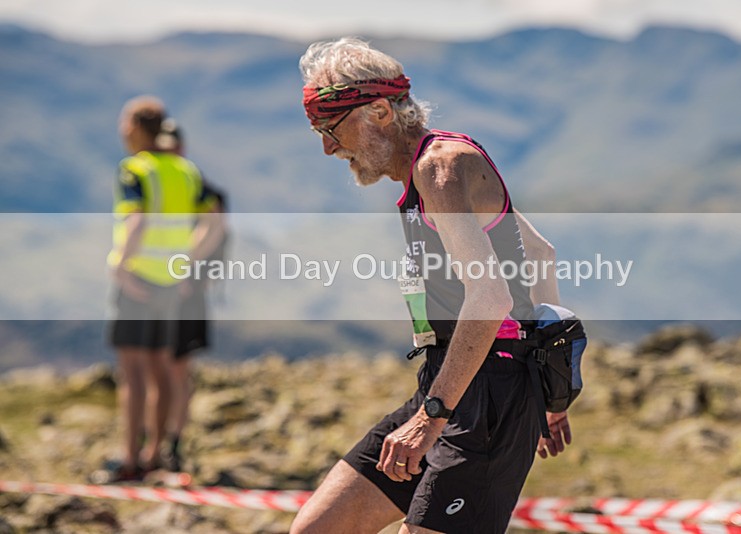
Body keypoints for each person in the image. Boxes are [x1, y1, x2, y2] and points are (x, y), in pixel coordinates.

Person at [292, 38, 570, 534]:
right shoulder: (432, 168)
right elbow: (541, 252)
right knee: (317, 528)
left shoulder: (439, 168)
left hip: (491, 393)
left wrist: (431, 420)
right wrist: (551, 391)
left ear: (379, 111)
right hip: (454, 382)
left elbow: (491, 297)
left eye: (330, 129)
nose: (328, 148)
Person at [107, 96, 219, 481]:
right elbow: (215, 222)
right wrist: (190, 260)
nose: (122, 130)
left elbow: (135, 222)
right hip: (173, 283)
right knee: (161, 371)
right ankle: (156, 452)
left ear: (138, 126)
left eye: (125, 122)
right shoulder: (186, 170)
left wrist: (120, 266)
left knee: (133, 374)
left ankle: (129, 459)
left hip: (139, 280)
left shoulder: (135, 169)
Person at [156, 118, 229, 473]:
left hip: (185, 293)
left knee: (176, 369)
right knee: (158, 367)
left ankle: (172, 445)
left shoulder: (201, 190)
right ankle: (157, 443)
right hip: (170, 289)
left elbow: (214, 227)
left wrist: (183, 267)